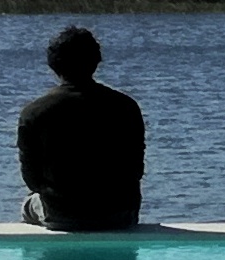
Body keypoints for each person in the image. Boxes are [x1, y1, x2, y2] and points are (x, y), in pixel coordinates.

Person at [16, 25, 147, 231]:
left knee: (28, 205)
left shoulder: (34, 112)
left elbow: (32, 180)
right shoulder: (125, 106)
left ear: (53, 65)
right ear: (96, 62)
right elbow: (135, 170)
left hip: (62, 214)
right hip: (118, 214)